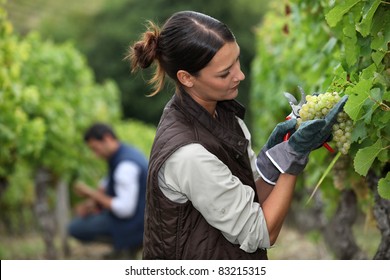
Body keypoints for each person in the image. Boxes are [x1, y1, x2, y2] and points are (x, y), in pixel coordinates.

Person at [127, 11, 347, 259]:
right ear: (186, 78)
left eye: (237, 61)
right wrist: (294, 156)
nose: (239, 75)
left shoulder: (224, 116)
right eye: (224, 73)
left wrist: (276, 157)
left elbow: (248, 196)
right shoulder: (188, 155)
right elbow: (260, 232)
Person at [68, 123, 148, 259]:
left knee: (75, 228)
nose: (95, 155)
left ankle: (126, 247)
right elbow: (105, 186)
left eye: (95, 149)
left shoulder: (125, 166)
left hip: (136, 225)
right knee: (84, 221)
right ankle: (123, 249)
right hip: (141, 220)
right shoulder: (124, 155)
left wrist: (90, 193)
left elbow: (125, 209)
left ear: (107, 138)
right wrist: (91, 204)